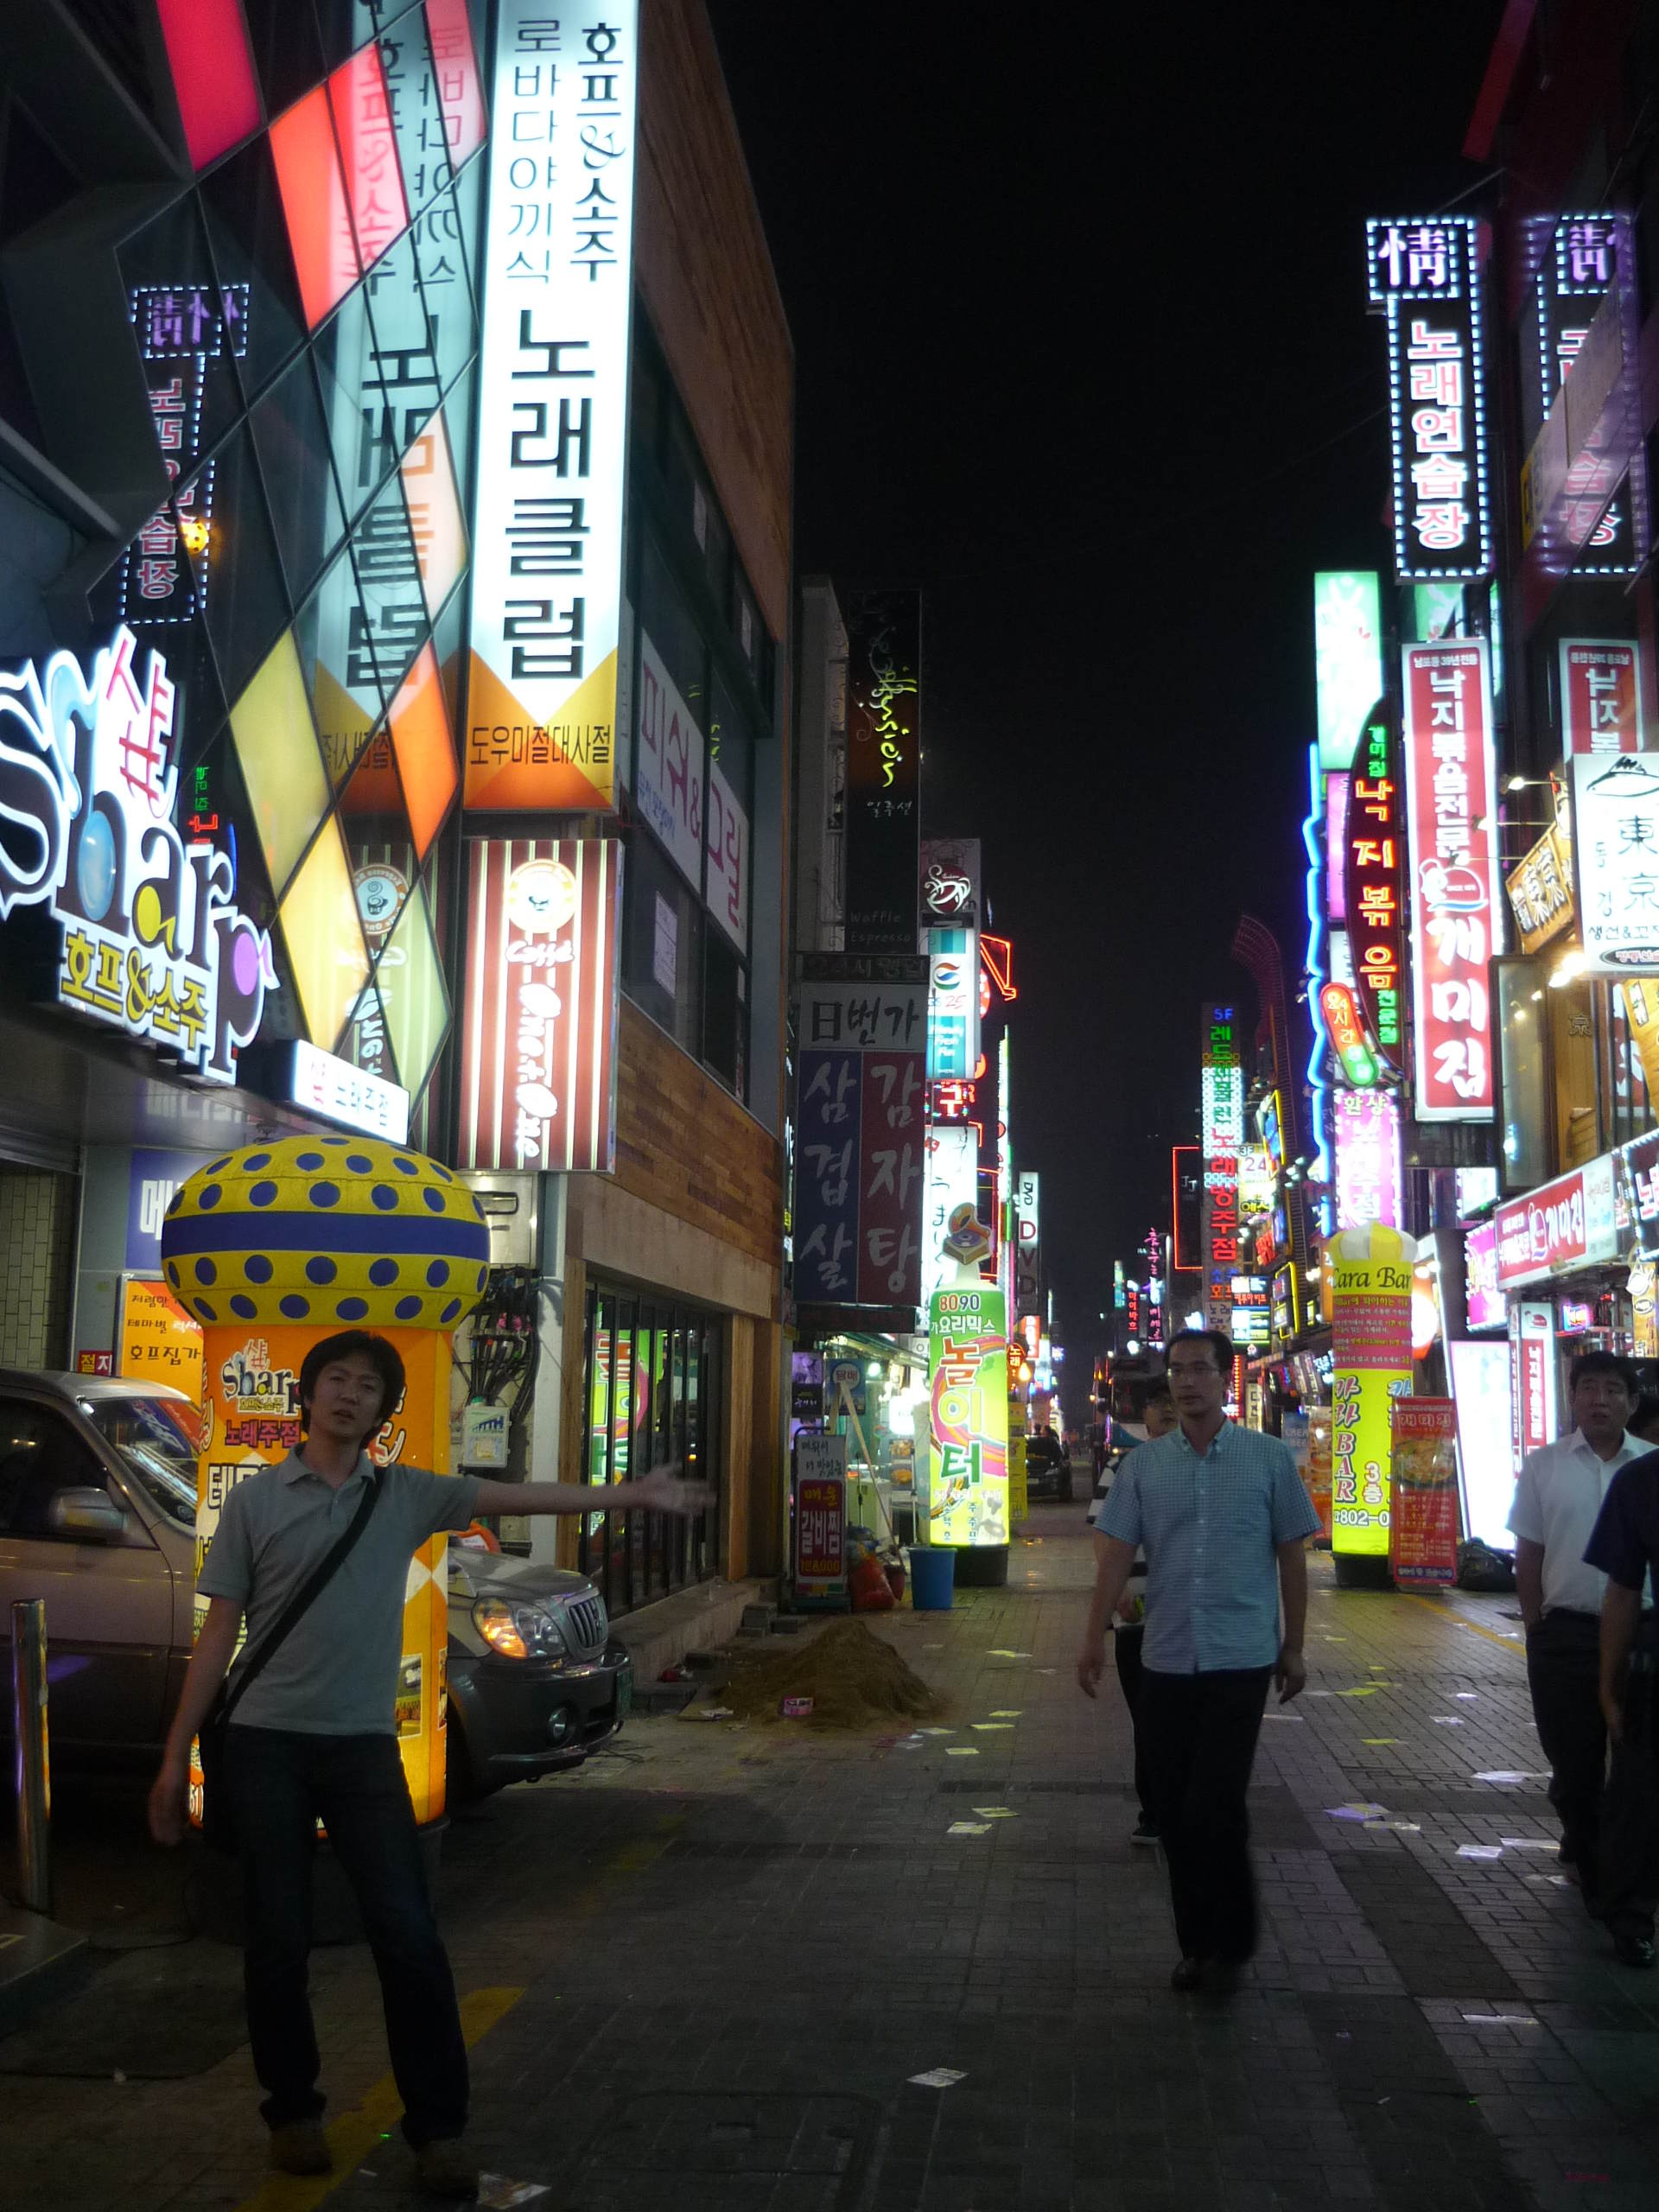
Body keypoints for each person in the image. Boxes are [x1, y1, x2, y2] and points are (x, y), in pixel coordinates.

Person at [148, 1331, 711, 2194]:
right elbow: (219, 1632)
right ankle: (292, 2111)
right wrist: (173, 1755)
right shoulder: (257, 1502)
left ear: (383, 1408)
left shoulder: (405, 1496)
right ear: (306, 1394)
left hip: (364, 1749)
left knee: (410, 1937)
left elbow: (522, 1490)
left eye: (368, 1385)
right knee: (278, 1940)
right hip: (264, 1746)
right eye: (336, 1378)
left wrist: (630, 1489)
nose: (349, 1394)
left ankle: (438, 2129)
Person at [1077, 1329, 1319, 1994]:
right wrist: (1094, 1634)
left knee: (1216, 1804)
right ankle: (1197, 1945)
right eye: (1178, 1371)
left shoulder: (1268, 1460)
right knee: (1181, 1812)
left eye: (1200, 1370)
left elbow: (1293, 1555)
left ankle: (1232, 1942)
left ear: (1224, 1378)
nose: (1187, 1382)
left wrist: (1294, 1645)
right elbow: (1116, 1555)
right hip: (1166, 1659)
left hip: (1241, 1658)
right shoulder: (1142, 1468)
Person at [1508, 1350, 1651, 1953]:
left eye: (1612, 1390)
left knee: (1638, 1772)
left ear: (1632, 1402)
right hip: (1565, 1635)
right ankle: (1595, 1866)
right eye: (1588, 1388)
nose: (1599, 1399)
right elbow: (1529, 1552)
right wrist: (1536, 1623)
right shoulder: (1543, 1467)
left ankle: (1617, 1890)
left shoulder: (1650, 1469)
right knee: (1576, 1767)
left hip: (1643, 1636)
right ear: (1572, 1399)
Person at [1581, 1423, 1659, 1971]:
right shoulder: (1640, 1482)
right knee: (1639, 1798)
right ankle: (1631, 1919)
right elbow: (1623, 1591)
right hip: (1654, 1674)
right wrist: (1610, 1688)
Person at [1089, 1376, 1177, 1845]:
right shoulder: (1123, 1468)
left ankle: (1183, 1806)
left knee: (1182, 1718)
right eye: (1156, 1403)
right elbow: (1104, 1534)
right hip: (1136, 1618)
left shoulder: (1204, 1464)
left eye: (1171, 1402)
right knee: (1147, 1717)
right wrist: (1115, 1586)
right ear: (1143, 1415)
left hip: (1187, 1617)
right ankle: (1155, 1811)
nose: (1165, 1410)